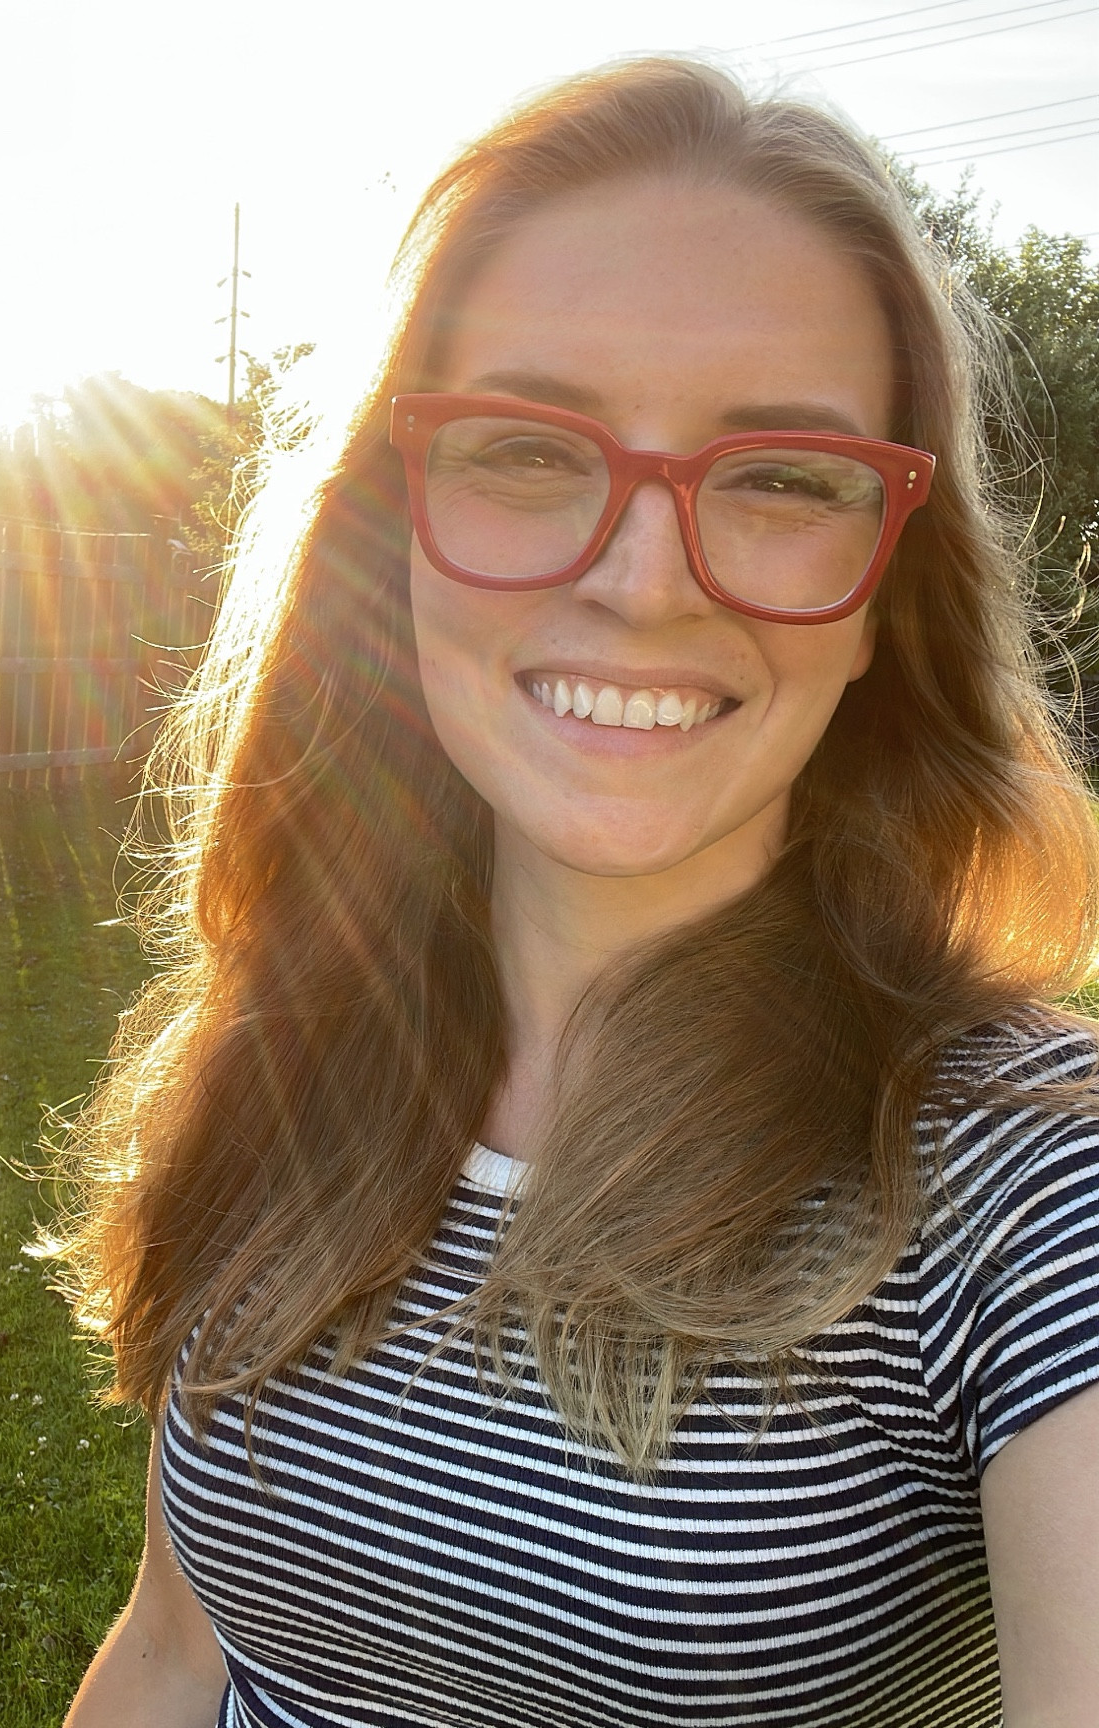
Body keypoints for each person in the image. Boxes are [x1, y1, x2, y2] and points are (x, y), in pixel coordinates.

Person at [59, 57, 1099, 1728]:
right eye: (530, 448)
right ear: (391, 527)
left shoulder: (1023, 1192)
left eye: (777, 477)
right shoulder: (297, 1034)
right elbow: (186, 1646)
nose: (639, 579)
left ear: (884, 591)